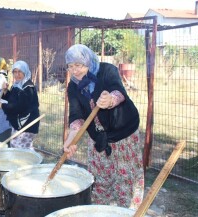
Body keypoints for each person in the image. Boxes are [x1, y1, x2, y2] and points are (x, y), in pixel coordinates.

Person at [62, 44, 144, 209]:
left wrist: (110, 100)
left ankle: (126, 212)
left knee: (125, 181)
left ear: (88, 60)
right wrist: (71, 140)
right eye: (70, 66)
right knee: (99, 180)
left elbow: (118, 90)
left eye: (78, 65)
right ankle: (100, 211)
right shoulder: (73, 86)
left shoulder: (107, 70)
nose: (74, 70)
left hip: (123, 133)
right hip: (97, 136)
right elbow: (76, 115)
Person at [0, 60, 40, 149]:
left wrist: (1, 105)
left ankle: (31, 162)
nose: (17, 75)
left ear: (25, 72)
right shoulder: (16, 85)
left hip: (27, 124)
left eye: (20, 72)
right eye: (15, 72)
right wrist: (6, 91)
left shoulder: (28, 88)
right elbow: (10, 100)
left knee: (20, 149)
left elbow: (19, 107)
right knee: (17, 147)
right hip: (19, 123)